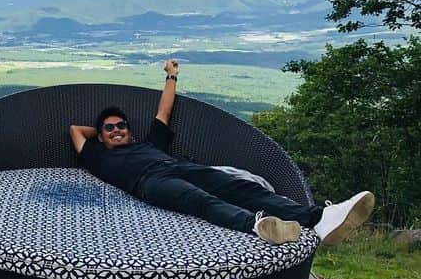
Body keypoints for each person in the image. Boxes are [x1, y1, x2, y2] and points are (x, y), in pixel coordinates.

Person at [67, 60, 374, 245]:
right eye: (109, 128)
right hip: (150, 183)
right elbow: (74, 130)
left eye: (121, 125)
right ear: (102, 136)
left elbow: (164, 110)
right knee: (197, 199)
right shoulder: (99, 157)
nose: (117, 130)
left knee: (239, 187)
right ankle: (256, 226)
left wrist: (171, 75)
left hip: (178, 166)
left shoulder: (148, 143)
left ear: (129, 129)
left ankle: (318, 218)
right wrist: (102, 135)